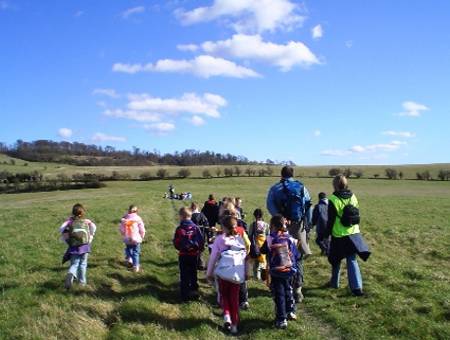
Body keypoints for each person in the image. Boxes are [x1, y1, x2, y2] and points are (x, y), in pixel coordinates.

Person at [266, 165, 312, 302]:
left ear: (281, 174)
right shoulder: (301, 187)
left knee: (279, 254)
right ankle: (297, 289)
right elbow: (308, 205)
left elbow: (270, 205)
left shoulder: (275, 189)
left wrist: (280, 220)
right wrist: (307, 225)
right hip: (298, 225)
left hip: (280, 226)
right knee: (297, 257)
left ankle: (279, 286)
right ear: (293, 174)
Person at [326, 175, 371, 296]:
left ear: (334, 185)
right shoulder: (353, 197)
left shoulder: (333, 199)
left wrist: (325, 234)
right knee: (352, 259)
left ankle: (334, 283)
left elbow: (330, 220)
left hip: (338, 235)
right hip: (353, 233)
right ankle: (357, 288)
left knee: (335, 259)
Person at [207, 216, 248, 335]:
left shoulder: (220, 239)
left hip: (223, 274)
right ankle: (235, 325)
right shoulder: (239, 239)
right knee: (234, 299)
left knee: (224, 296)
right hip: (236, 274)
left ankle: (227, 316)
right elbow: (244, 258)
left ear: (223, 228)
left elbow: (213, 258)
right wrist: (245, 273)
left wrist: (209, 273)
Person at [261, 215, 299, 329]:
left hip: (276, 271)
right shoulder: (290, 237)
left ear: (272, 226)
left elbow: (263, 250)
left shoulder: (270, 238)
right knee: (289, 290)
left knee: (279, 294)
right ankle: (290, 311)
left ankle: (281, 319)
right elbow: (297, 254)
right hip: (289, 269)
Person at [59, 203, 97, 289]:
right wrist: (91, 237)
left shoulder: (70, 222)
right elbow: (94, 227)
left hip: (74, 247)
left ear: (73, 213)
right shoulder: (86, 221)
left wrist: (66, 240)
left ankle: (71, 274)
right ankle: (82, 283)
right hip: (85, 246)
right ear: (82, 213)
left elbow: (61, 228)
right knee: (83, 264)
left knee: (74, 264)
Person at [173, 207, 205, 301]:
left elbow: (176, 242)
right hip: (194, 255)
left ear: (181, 217)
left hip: (183, 255)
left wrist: (180, 248)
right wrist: (199, 249)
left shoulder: (179, 229)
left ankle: (184, 294)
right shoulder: (195, 228)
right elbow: (201, 240)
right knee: (193, 272)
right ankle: (194, 290)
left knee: (184, 274)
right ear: (190, 216)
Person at [119, 205, 146, 272]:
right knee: (136, 252)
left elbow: (121, 230)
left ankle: (129, 259)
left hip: (127, 239)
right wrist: (142, 236)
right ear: (136, 211)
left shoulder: (124, 219)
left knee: (128, 248)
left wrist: (124, 234)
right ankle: (136, 266)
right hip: (136, 238)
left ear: (128, 211)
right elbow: (142, 229)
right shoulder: (138, 219)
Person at [248, 208, 270, 281]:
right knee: (263, 261)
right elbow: (268, 235)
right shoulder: (266, 225)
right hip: (264, 245)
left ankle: (256, 276)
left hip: (255, 245)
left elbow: (250, 235)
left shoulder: (253, 224)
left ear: (254, 215)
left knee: (256, 262)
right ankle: (263, 276)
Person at [191, 202, 210, 270]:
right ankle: (201, 264)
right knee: (200, 250)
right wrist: (208, 236)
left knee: (193, 249)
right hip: (201, 235)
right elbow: (207, 226)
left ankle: (194, 263)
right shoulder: (202, 215)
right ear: (197, 207)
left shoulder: (190, 216)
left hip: (192, 236)